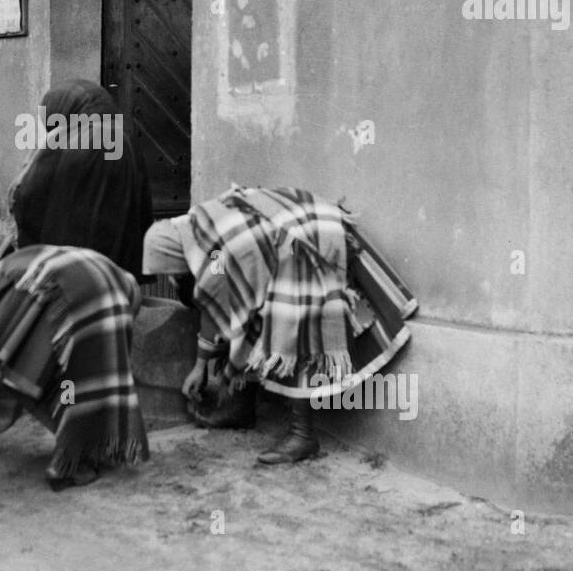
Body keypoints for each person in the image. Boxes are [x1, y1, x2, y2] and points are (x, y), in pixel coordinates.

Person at [142, 184, 415, 464]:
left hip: (307, 239)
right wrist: (211, 367)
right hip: (299, 227)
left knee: (291, 326)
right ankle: (242, 408)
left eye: (171, 272)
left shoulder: (215, 252)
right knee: (257, 317)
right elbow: (226, 307)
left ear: (174, 254)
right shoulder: (195, 228)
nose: (173, 279)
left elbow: (221, 314)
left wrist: (209, 373)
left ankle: (303, 436)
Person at [0, 243, 150, 491]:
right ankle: (65, 464)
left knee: (13, 368)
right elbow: (93, 377)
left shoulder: (95, 261)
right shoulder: (114, 299)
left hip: (13, 276)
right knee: (72, 387)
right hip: (58, 293)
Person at [9, 79, 152, 283]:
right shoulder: (124, 139)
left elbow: (27, 195)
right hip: (119, 266)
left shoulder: (66, 141)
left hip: (71, 267)